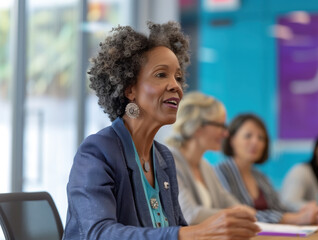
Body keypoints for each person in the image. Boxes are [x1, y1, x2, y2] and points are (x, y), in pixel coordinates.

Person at [63, 22, 260, 240]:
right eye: (161, 75)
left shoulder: (163, 157)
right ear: (130, 89)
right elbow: (97, 233)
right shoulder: (98, 151)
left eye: (177, 76)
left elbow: (177, 227)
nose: (175, 85)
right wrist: (191, 234)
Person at [215, 114, 318, 224]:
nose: (255, 142)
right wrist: (294, 218)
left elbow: (279, 207)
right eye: (248, 136)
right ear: (231, 140)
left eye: (261, 138)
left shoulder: (260, 176)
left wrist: (305, 210)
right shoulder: (220, 172)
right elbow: (239, 214)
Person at [166, 92, 256, 226]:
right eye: (220, 125)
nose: (225, 133)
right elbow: (189, 214)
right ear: (197, 126)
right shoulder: (169, 162)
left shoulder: (205, 166)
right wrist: (234, 214)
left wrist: (240, 211)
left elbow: (228, 201)